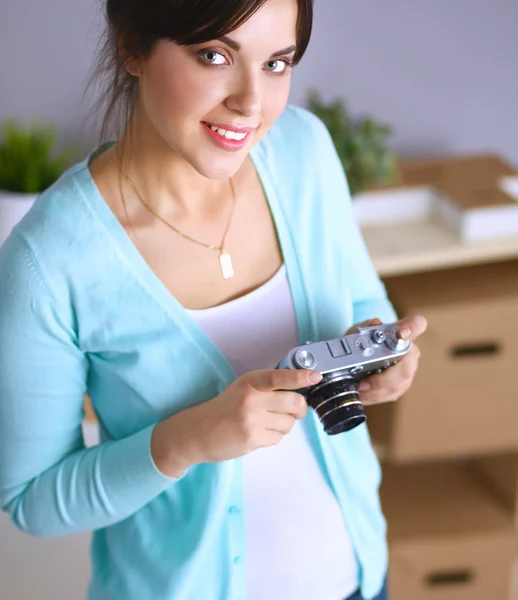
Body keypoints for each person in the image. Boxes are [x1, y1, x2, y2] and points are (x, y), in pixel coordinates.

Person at [0, 0, 427, 599]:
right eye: (214, 56)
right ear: (131, 46)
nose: (251, 102)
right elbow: (33, 499)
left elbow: (358, 298)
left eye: (277, 63)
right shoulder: (48, 262)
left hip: (358, 581)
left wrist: (379, 360)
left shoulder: (304, 151)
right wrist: (189, 439)